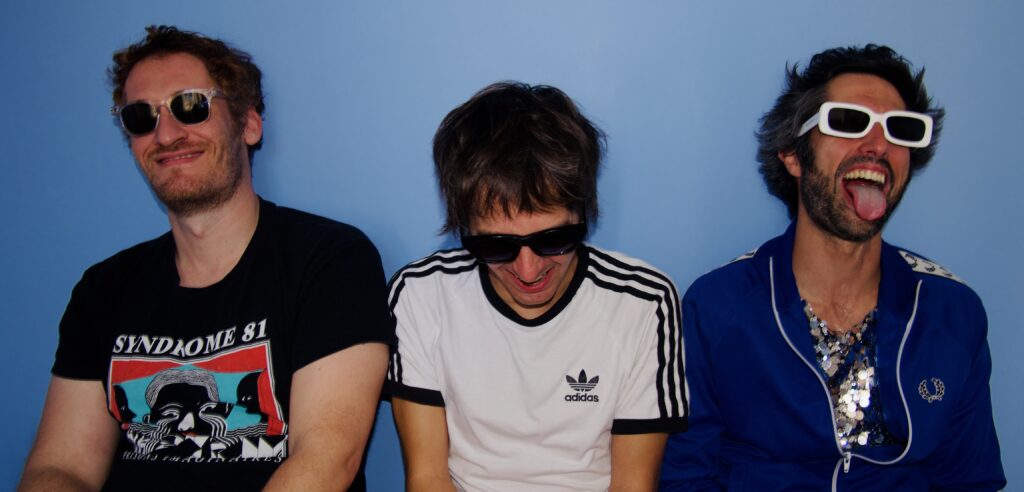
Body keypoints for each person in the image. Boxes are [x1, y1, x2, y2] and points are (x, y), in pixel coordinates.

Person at [19, 25, 393, 491]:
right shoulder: (103, 289)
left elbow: (326, 460)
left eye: (190, 105)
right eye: (141, 116)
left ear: (249, 124)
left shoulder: (329, 261)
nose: (166, 133)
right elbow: (61, 467)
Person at [660, 45, 1006, 490]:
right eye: (847, 121)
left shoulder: (951, 312)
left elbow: (969, 480)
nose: (878, 145)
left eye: (900, 129)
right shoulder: (718, 307)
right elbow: (687, 477)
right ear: (793, 155)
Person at [386, 82, 688, 491]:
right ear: (463, 228)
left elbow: (632, 485)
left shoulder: (641, 300)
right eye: (495, 245)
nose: (528, 270)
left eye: (553, 239)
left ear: (584, 214)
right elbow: (427, 478)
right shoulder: (421, 294)